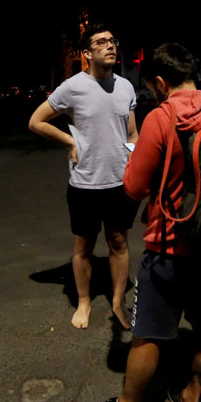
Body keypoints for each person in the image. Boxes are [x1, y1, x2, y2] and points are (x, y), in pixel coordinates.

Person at [82, 43, 201, 402]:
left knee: (148, 333)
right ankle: (191, 400)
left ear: (162, 83)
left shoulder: (161, 118)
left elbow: (133, 186)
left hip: (169, 244)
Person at [29, 24, 138, 330]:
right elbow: (36, 121)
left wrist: (134, 156)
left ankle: (118, 302)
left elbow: (131, 132)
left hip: (120, 182)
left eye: (112, 41)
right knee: (83, 248)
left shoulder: (126, 87)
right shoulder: (72, 87)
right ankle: (85, 302)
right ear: (87, 54)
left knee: (119, 242)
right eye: (101, 42)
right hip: (85, 184)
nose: (110, 46)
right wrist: (69, 141)